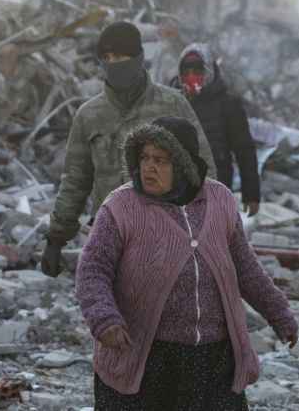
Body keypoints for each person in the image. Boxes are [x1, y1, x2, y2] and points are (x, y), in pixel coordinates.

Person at [76, 116, 298, 410]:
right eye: (144, 157)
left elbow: (246, 268)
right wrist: (104, 319)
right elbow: (92, 270)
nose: (148, 167)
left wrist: (280, 314)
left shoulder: (220, 200)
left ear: (184, 165)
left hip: (213, 361)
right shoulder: (121, 206)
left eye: (161, 160)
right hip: (145, 358)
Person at [40, 22, 215, 277]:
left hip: (165, 235)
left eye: (120, 56)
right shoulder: (89, 115)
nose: (113, 64)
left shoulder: (172, 104)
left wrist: (211, 229)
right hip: (109, 236)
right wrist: (56, 239)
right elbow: (75, 181)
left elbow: (203, 170)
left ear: (138, 57)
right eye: (107, 57)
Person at [170, 43, 261, 216]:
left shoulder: (227, 105)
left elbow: (245, 151)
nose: (191, 78)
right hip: (177, 193)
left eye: (197, 73)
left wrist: (251, 195)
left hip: (216, 189)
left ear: (208, 72)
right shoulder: (172, 102)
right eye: (186, 73)